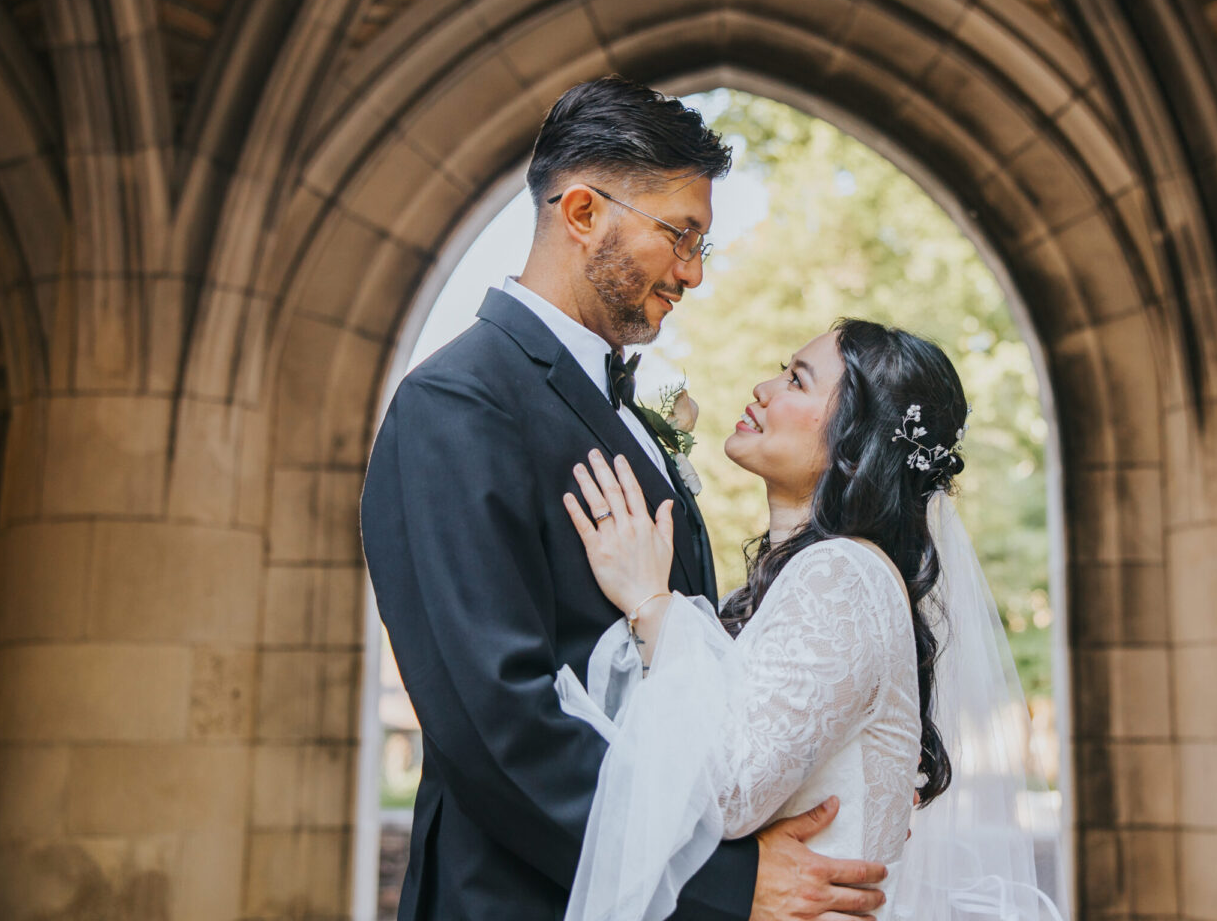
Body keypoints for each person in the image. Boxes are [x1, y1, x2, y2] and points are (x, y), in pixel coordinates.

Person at [360, 77, 890, 920]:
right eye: (680, 235)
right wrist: (720, 881)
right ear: (580, 213)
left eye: (701, 246)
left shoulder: (625, 411)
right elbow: (497, 726)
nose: (693, 274)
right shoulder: (459, 404)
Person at [557, 320, 1064, 921]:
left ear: (856, 445)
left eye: (796, 380)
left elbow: (731, 791)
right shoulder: (815, 577)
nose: (763, 388)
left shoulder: (842, 575)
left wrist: (651, 603)